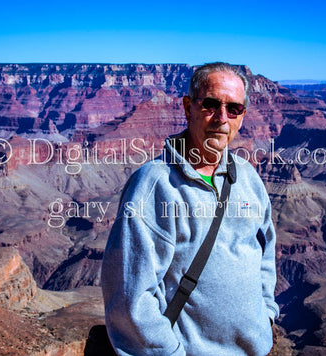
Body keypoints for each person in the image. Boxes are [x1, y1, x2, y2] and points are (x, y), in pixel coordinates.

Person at [101, 62, 279, 355]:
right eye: (211, 105)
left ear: (243, 115)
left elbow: (264, 251)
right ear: (188, 107)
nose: (222, 118)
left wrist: (267, 312)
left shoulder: (247, 177)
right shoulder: (154, 186)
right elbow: (129, 296)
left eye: (234, 108)